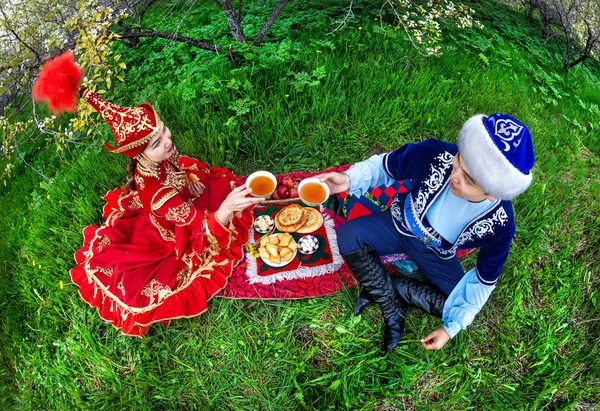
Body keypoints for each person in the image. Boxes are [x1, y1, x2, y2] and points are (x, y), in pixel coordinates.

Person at [33, 52, 262, 336]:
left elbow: (176, 164)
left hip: (177, 197)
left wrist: (189, 181)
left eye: (165, 131)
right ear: (139, 153)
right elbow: (198, 227)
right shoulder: (157, 194)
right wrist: (226, 208)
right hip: (172, 231)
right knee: (220, 216)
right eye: (157, 142)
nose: (169, 141)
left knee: (213, 185)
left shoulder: (159, 158)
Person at [319, 113, 534, 351]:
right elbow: (387, 165)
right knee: (349, 235)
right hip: (398, 223)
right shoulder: (436, 154)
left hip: (436, 252)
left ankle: (401, 288)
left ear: (494, 193)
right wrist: (348, 180)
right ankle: (390, 302)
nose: (454, 176)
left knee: (456, 306)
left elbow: (484, 279)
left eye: (469, 179)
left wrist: (450, 328)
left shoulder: (500, 224)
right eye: (459, 160)